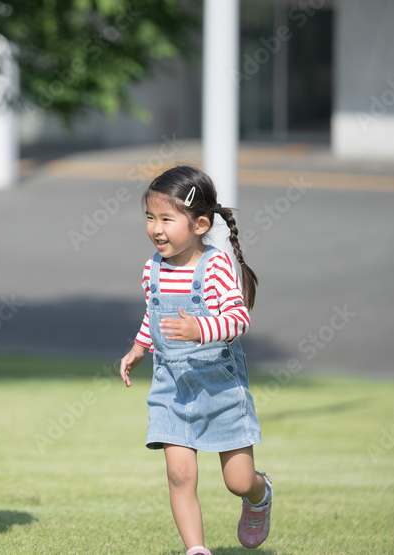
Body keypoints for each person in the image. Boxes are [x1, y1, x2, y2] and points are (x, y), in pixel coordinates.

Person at [119, 165, 272, 555]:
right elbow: (153, 316)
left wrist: (199, 329)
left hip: (219, 384)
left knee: (238, 481)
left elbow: (239, 320)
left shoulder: (217, 266)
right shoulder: (153, 267)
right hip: (172, 385)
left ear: (201, 223)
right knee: (179, 474)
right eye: (150, 218)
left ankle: (260, 494)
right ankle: (196, 549)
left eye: (167, 219)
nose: (156, 228)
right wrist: (139, 348)